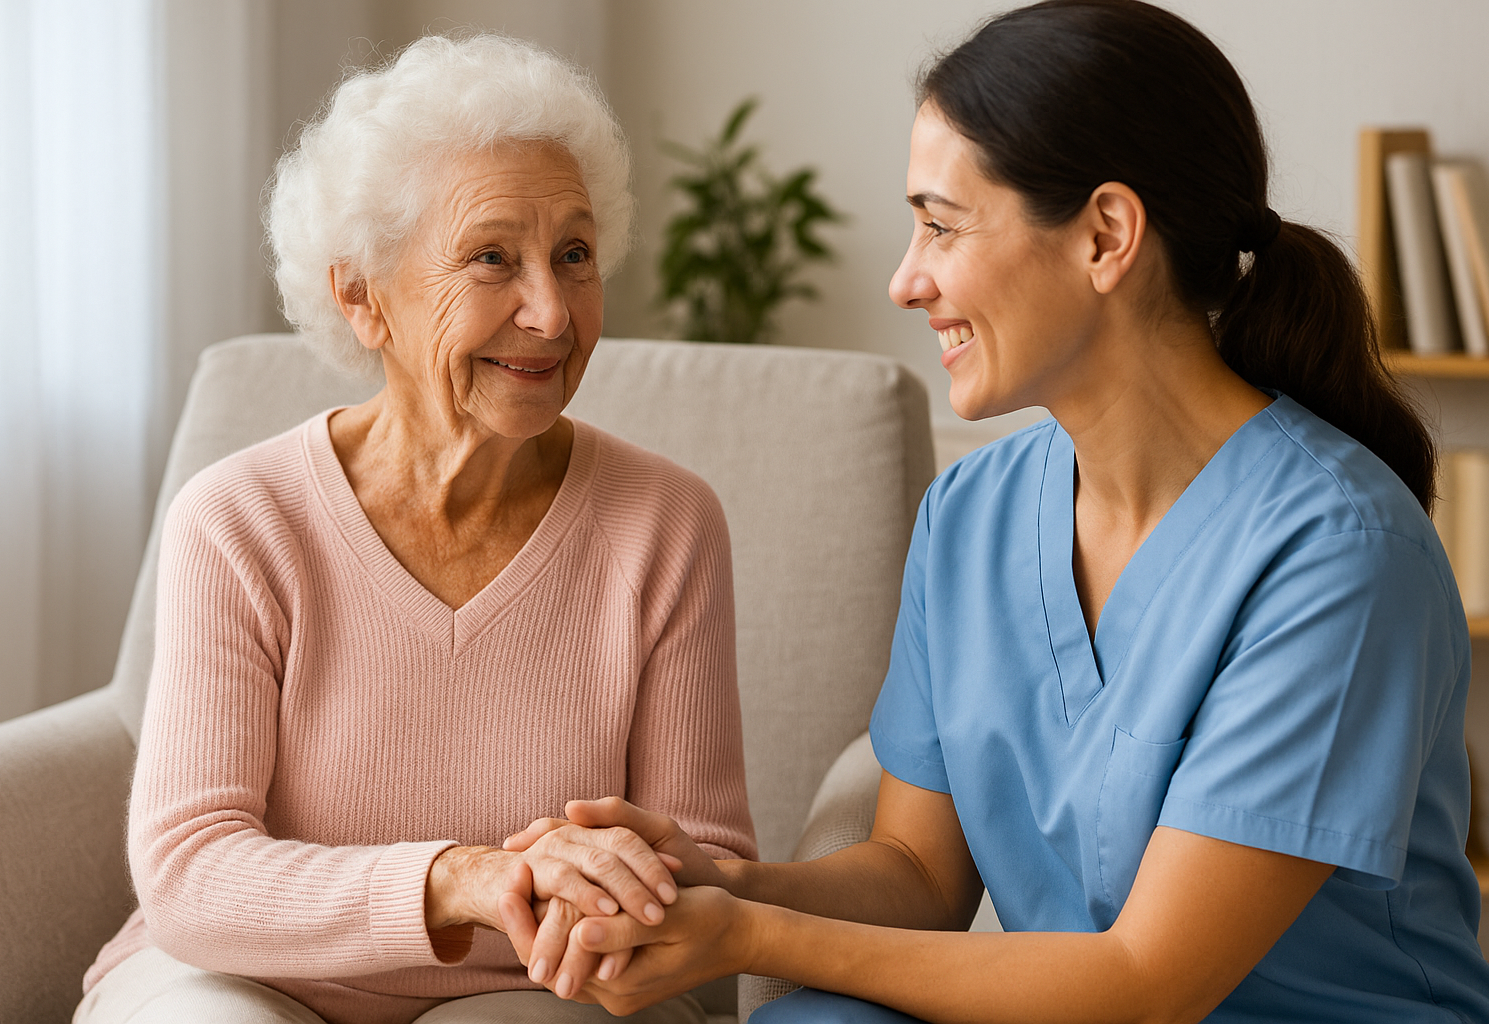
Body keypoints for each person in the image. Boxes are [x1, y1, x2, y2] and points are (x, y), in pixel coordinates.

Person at [497, 2, 1489, 1021]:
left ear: (1106, 235)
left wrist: (747, 935)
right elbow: (920, 881)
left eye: (941, 224)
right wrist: (711, 885)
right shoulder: (972, 513)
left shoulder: (1337, 553)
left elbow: (1148, 984)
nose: (904, 279)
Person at [73, 34, 754, 1024]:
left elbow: (713, 870)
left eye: (574, 254)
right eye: (492, 258)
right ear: (361, 297)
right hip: (240, 976)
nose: (552, 312)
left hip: (530, 989)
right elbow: (191, 872)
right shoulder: (240, 520)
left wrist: (626, 889)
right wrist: (461, 879)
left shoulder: (666, 523)